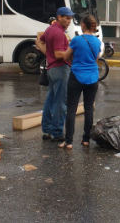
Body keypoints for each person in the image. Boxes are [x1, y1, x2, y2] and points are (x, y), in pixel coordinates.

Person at [59, 15, 101, 149]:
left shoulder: (76, 40)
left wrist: (74, 55)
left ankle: (69, 141)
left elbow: (65, 56)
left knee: (71, 109)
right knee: (89, 108)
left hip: (76, 76)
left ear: (83, 24)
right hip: (93, 77)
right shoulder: (97, 41)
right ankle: (86, 139)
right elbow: (96, 58)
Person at [35, 7, 74, 142]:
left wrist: (48, 54)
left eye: (70, 19)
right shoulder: (59, 33)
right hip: (61, 69)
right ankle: (57, 133)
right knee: (60, 102)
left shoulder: (50, 29)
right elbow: (58, 54)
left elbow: (39, 41)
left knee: (50, 100)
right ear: (59, 17)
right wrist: (73, 55)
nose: (69, 21)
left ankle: (46, 130)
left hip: (51, 69)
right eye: (67, 18)